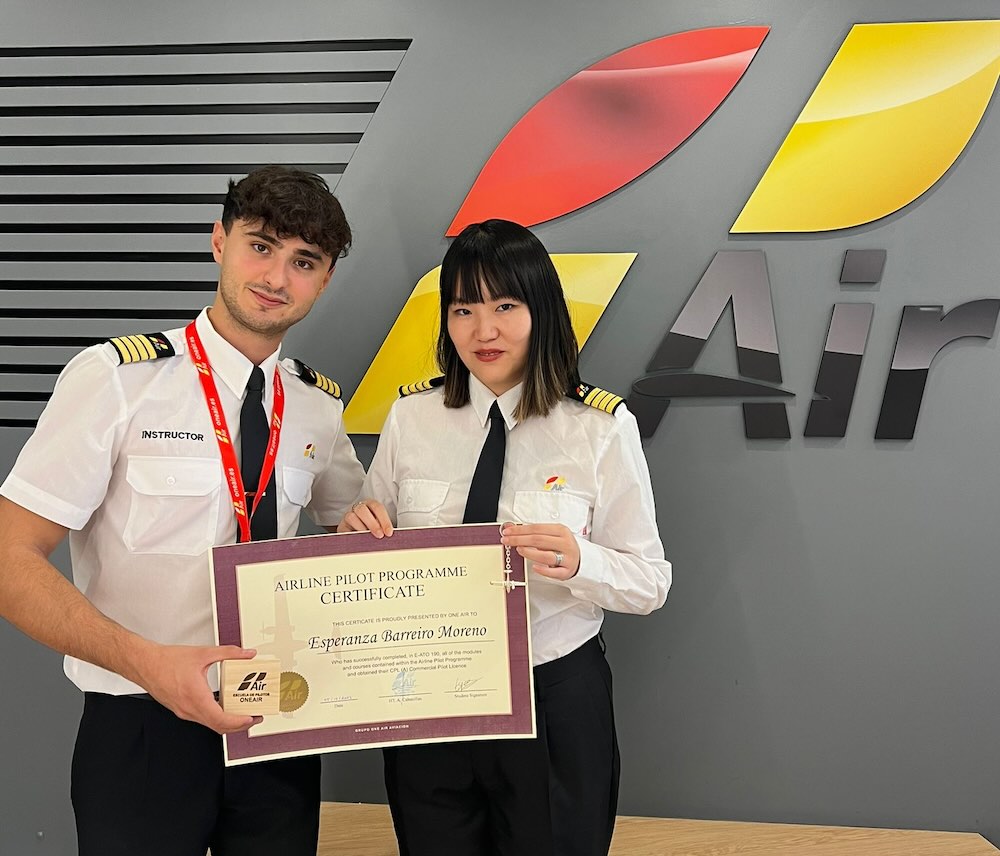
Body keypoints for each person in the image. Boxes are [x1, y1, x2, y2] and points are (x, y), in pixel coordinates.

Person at [0, 165, 365, 856]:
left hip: (279, 720)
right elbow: (8, 557)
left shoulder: (317, 404)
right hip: (143, 724)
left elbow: (356, 520)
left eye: (303, 262)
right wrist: (148, 664)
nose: (276, 277)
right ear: (219, 241)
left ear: (323, 281)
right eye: (261, 246)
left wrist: (372, 529)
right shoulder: (119, 381)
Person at [340, 218, 671, 856]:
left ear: (540, 309)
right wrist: (358, 528)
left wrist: (581, 561)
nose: (483, 330)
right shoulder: (412, 416)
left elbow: (651, 581)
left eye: (504, 305)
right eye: (463, 309)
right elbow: (373, 545)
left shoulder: (599, 427)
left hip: (551, 692)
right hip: (428, 690)